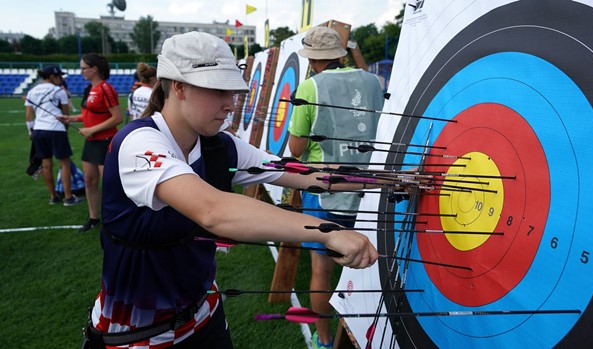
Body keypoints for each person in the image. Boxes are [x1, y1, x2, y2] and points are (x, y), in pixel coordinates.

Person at [80, 31, 379, 349]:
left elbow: (299, 173)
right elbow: (214, 211)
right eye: (218, 91)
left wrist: (385, 179)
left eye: (232, 92)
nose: (230, 104)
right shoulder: (138, 142)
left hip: (205, 314)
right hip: (138, 334)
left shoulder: (218, 145)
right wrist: (326, 231)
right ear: (179, 87)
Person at [288, 26, 385, 349]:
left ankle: (325, 340)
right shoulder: (372, 81)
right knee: (371, 262)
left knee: (322, 271)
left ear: (313, 59)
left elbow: (296, 149)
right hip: (370, 191)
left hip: (325, 193)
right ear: (340, 54)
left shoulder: (309, 87)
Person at [58, 53, 123, 232]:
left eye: (84, 68)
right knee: (89, 180)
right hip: (92, 141)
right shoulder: (89, 89)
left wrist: (93, 130)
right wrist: (71, 118)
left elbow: (117, 117)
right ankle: (94, 218)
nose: (81, 72)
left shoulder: (105, 88)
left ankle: (115, 218)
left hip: (105, 141)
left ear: (94, 69)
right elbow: (90, 116)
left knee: (109, 183)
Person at [24, 65, 83, 206]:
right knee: (64, 163)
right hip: (56, 129)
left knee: (46, 164)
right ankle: (68, 197)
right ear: (51, 77)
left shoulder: (32, 91)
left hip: (38, 130)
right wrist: (65, 130)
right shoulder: (59, 91)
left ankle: (53, 196)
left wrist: (30, 132)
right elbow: (65, 114)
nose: (61, 79)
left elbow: (28, 115)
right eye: (59, 77)